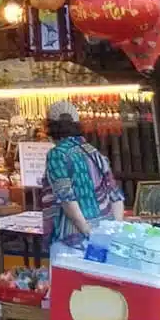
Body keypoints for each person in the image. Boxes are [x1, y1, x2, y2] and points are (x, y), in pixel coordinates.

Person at [42, 98, 125, 252]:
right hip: (102, 237)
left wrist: (87, 231)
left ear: (51, 128)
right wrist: (113, 231)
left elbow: (67, 198)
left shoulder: (57, 154)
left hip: (72, 239)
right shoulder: (94, 152)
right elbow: (115, 196)